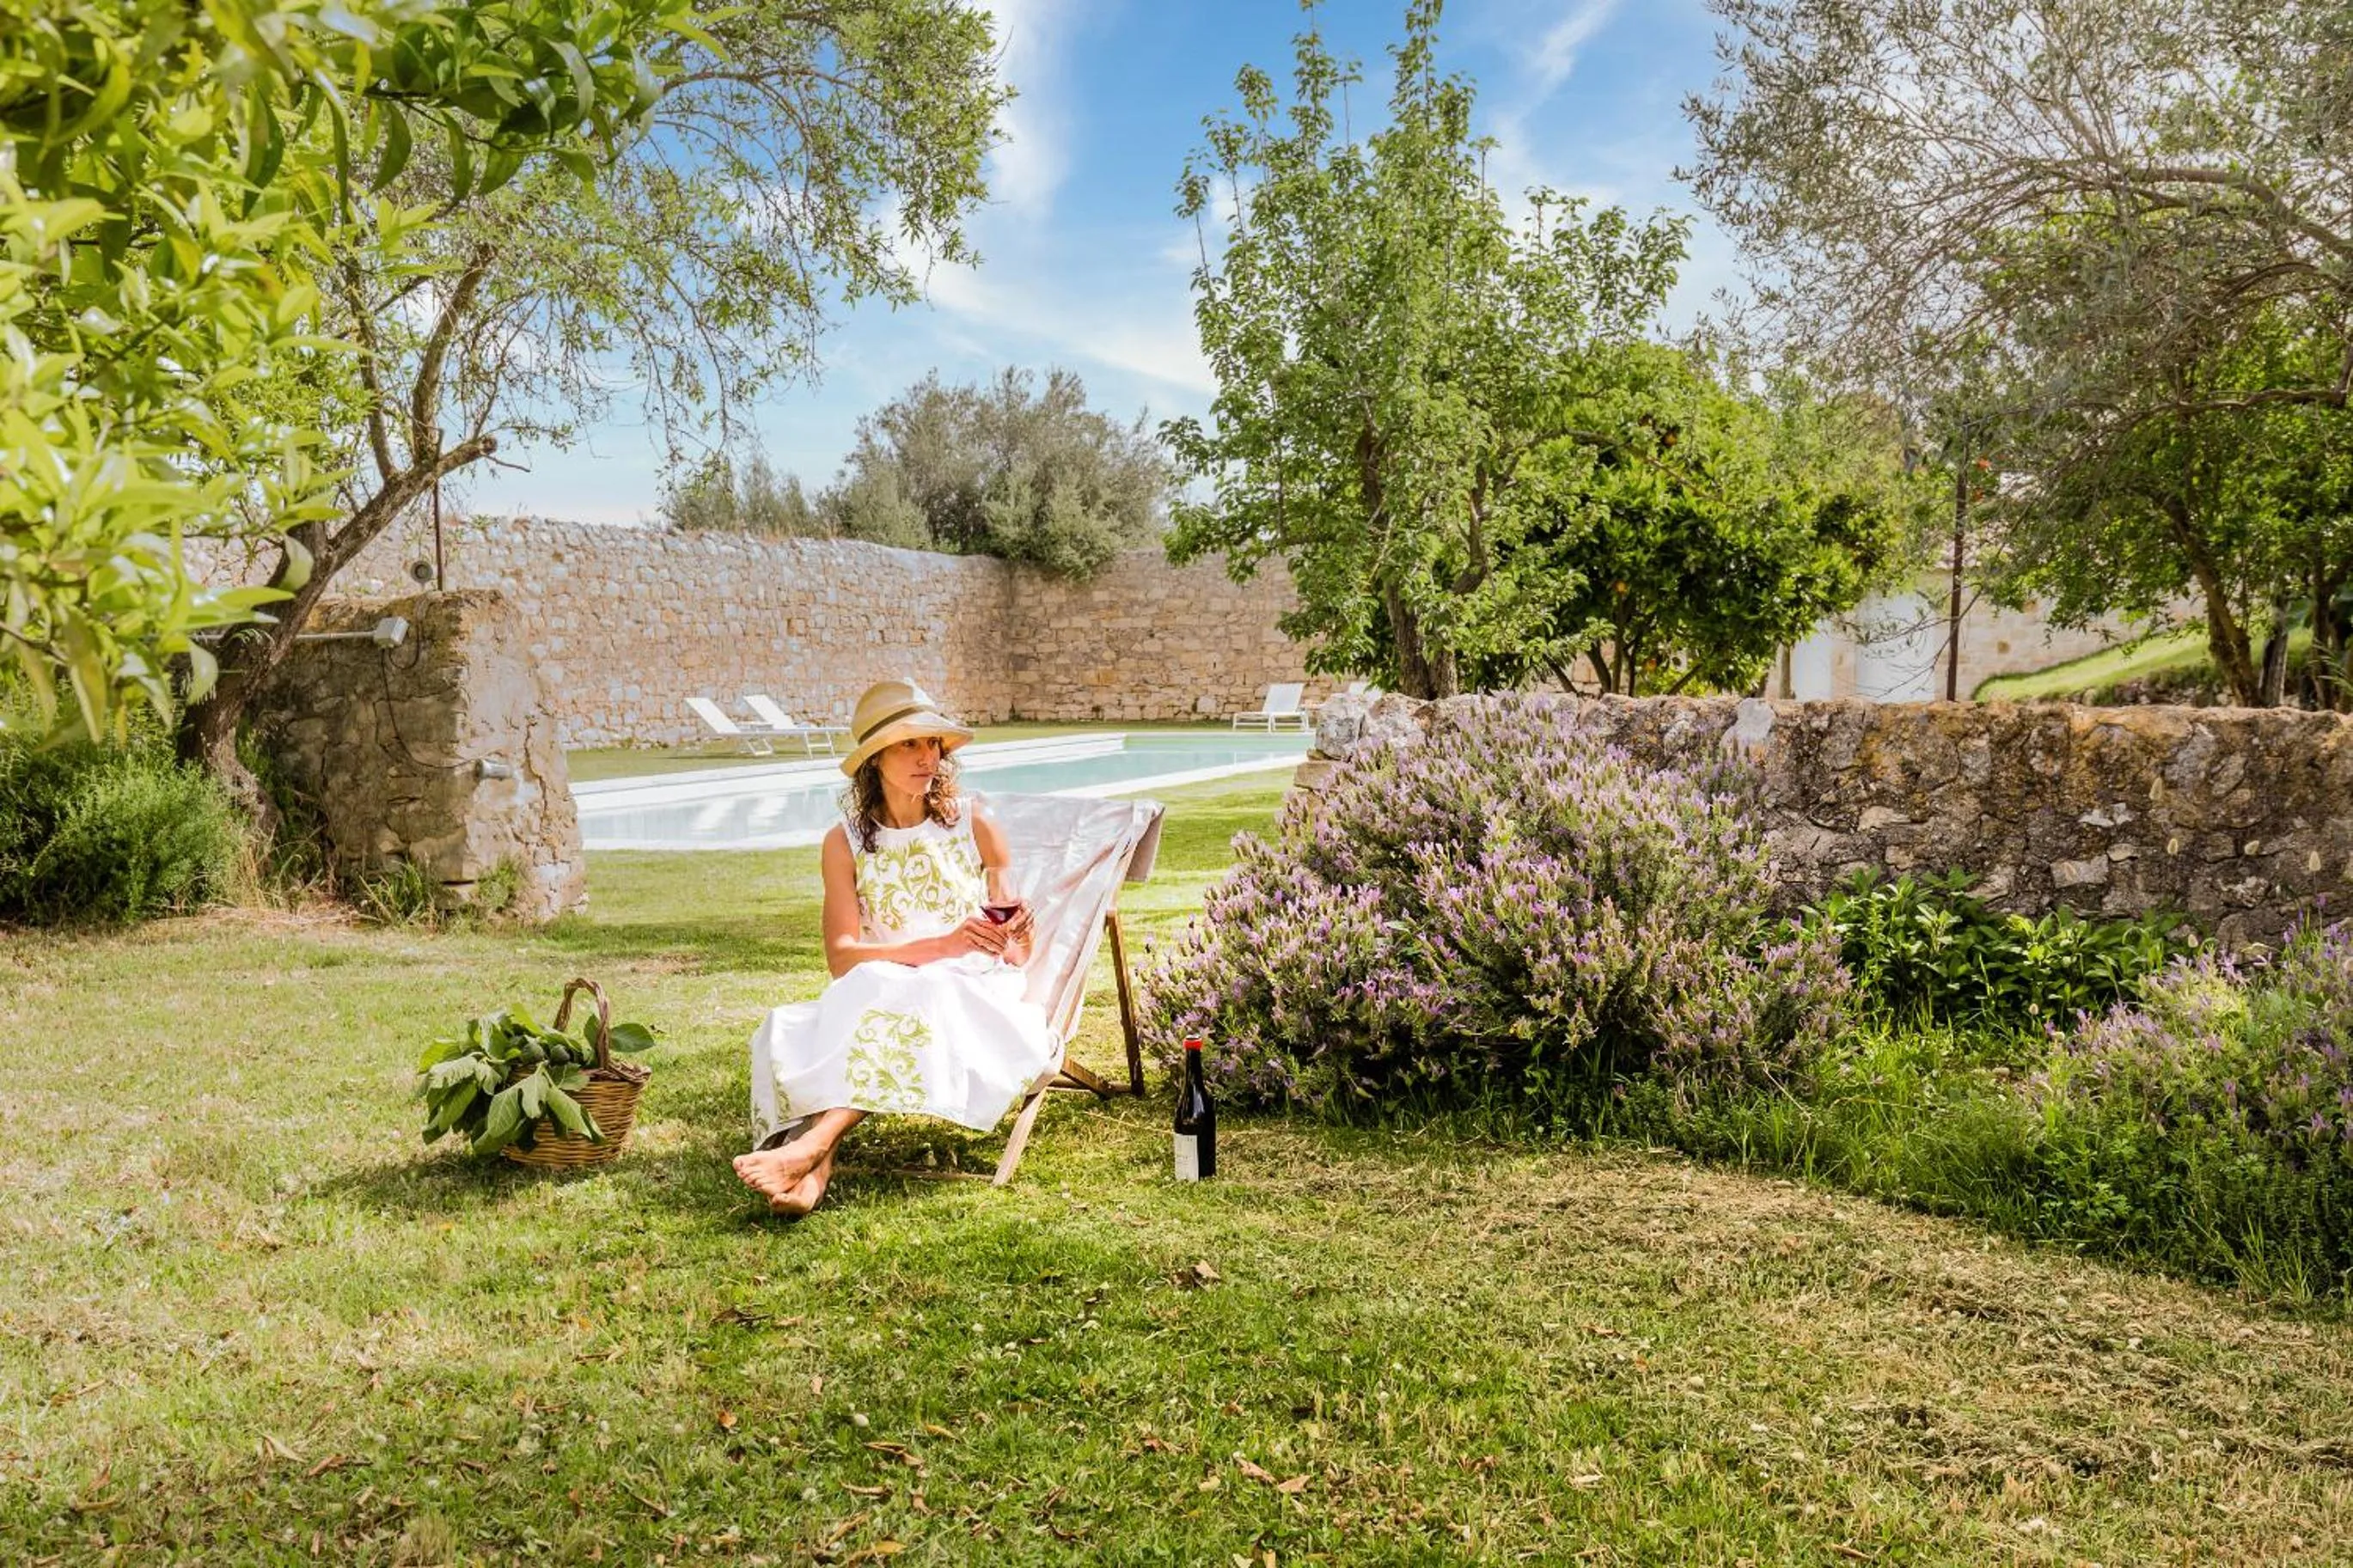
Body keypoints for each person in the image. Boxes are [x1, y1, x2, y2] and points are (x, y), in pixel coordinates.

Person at [731, 679, 1058, 1215]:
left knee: (917, 990)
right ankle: (814, 1174)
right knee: (878, 990)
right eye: (910, 743)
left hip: (972, 989)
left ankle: (812, 1149)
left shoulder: (975, 823)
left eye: (933, 744)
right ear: (874, 760)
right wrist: (938, 944)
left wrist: (1018, 934)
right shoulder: (845, 843)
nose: (926, 756)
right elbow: (841, 958)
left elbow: (1015, 953)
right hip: (883, 981)